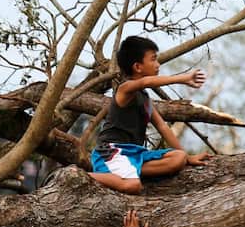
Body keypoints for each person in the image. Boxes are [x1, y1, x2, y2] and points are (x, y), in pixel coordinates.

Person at [89, 35, 212, 194]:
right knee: (133, 186)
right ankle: (81, 176)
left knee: (178, 158)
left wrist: (188, 158)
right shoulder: (125, 89)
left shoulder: (145, 98)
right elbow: (144, 82)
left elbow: (162, 127)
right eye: (153, 59)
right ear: (138, 67)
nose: (157, 64)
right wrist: (182, 78)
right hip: (111, 152)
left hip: (135, 154)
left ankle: (131, 171)